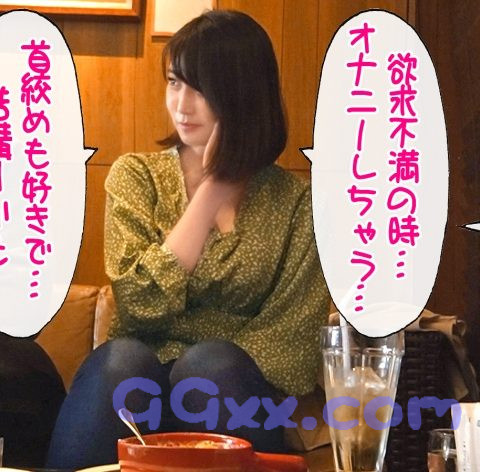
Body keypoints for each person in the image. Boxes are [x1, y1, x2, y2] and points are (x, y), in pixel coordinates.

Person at [44, 9, 329, 469]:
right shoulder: (137, 177)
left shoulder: (298, 203)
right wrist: (212, 189)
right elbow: (137, 304)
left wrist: (190, 370)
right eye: (175, 82)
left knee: (209, 368)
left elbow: (291, 345)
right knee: (123, 363)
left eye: (201, 88)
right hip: (136, 385)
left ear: (244, 94)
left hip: (232, 393)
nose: (182, 105)